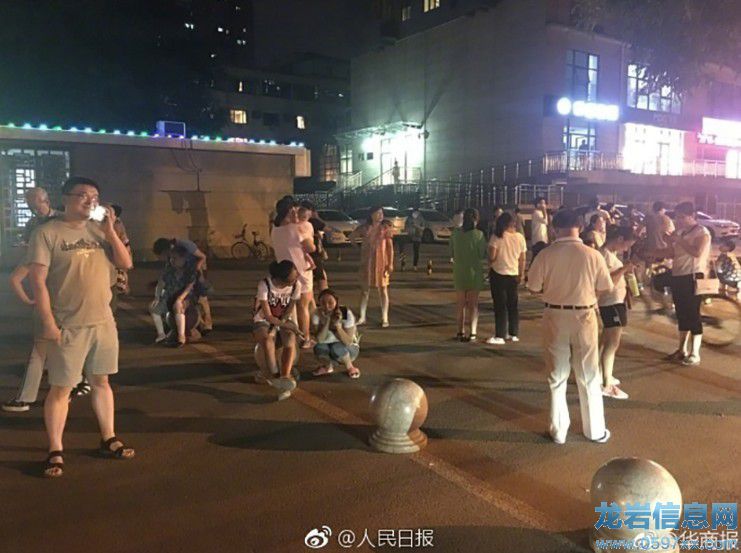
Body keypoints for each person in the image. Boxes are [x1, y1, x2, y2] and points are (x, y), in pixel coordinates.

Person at [27, 176, 135, 477]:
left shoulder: (100, 231)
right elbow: (38, 282)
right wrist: (48, 322)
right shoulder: (47, 233)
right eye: (83, 195)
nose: (90, 200)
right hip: (68, 324)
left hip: (103, 322)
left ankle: (108, 437)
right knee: (61, 388)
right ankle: (55, 450)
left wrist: (110, 232)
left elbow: (126, 263)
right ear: (65, 198)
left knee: (102, 381)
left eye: (95, 196)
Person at [527, 208, 613, 445]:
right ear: (580, 227)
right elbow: (605, 287)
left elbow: (533, 287)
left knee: (557, 377)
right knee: (589, 375)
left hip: (554, 314)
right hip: (585, 315)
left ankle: (558, 432)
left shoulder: (546, 254)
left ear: (555, 229)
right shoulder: (593, 255)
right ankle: (595, 431)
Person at [651, 202, 712, 366]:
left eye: (682, 217)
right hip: (678, 275)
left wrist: (679, 240)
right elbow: (673, 254)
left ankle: (695, 353)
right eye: (677, 217)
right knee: (681, 314)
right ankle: (681, 349)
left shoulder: (702, 232)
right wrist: (662, 247)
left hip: (693, 277)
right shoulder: (681, 232)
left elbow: (697, 252)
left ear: (692, 216)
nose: (678, 221)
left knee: (693, 314)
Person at [2, 263, 49, 412]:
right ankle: (73, 385)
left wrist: (28, 300)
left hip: (45, 309)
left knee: (38, 354)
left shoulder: (38, 255)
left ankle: (25, 397)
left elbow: (15, 279)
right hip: (74, 310)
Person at [252, 260, 302, 397]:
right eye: (294, 276)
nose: (297, 277)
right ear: (282, 279)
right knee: (267, 340)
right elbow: (268, 316)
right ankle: (274, 376)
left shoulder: (296, 285)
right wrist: (286, 326)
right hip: (263, 319)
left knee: (290, 338)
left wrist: (284, 323)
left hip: (283, 319)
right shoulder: (265, 285)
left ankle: (285, 375)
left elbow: (290, 308)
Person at [598, 226, 637, 400]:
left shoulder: (610, 255)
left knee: (606, 339)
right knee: (612, 342)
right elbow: (607, 282)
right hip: (611, 302)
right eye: (627, 244)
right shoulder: (604, 255)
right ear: (620, 238)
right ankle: (607, 384)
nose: (626, 249)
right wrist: (624, 269)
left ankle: (602, 374)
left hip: (615, 301)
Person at [271, 199, 316, 346]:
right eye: (296, 211)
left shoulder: (274, 229)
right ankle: (305, 338)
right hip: (301, 272)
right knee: (303, 306)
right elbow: (311, 248)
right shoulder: (299, 228)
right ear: (291, 211)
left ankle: (290, 338)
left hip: (283, 273)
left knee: (289, 308)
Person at [153, 236, 213, 334]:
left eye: (161, 255)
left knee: (201, 296)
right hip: (183, 272)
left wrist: (197, 270)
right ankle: (196, 323)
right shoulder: (171, 254)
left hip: (195, 269)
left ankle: (207, 324)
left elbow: (203, 257)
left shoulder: (186, 245)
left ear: (165, 250)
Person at [149, 246, 203, 347]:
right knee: (153, 308)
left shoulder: (190, 271)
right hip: (169, 296)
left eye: (175, 258)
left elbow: (189, 287)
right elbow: (160, 284)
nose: (172, 261)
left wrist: (180, 298)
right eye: (171, 258)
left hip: (186, 298)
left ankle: (181, 337)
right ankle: (161, 335)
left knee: (178, 305)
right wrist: (157, 297)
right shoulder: (168, 271)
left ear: (183, 259)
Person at [350, 206, 394, 328]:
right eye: (378, 213)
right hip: (367, 263)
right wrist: (358, 247)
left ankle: (385, 317)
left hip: (382, 263)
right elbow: (352, 236)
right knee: (365, 290)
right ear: (371, 214)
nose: (380, 215)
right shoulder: (365, 228)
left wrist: (390, 263)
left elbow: (390, 248)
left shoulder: (385, 228)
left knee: (383, 289)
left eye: (382, 213)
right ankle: (362, 317)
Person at [487, 212, 527, 345]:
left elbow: (492, 257)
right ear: (514, 223)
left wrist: (490, 261)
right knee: (513, 305)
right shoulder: (520, 237)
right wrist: (521, 274)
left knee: (500, 306)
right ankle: (513, 333)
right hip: (513, 273)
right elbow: (522, 258)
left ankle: (500, 335)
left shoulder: (497, 236)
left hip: (498, 274)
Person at [450, 208, 487, 342]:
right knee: (473, 305)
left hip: (459, 272)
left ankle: (460, 331)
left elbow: (452, 252)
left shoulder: (455, 234)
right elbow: (482, 254)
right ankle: (473, 332)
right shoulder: (479, 235)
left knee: (460, 304)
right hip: (474, 272)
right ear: (476, 219)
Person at [311, 289, 361, 379]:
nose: (327, 306)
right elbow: (319, 339)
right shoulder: (317, 313)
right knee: (319, 347)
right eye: (323, 303)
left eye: (330, 302)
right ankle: (328, 366)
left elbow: (348, 341)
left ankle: (350, 366)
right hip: (328, 346)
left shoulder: (345, 312)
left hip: (348, 349)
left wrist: (337, 326)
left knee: (336, 347)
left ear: (336, 301)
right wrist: (327, 321)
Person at [300, 200, 329, 292]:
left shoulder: (298, 222)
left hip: (301, 253)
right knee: (320, 276)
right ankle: (324, 293)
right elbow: (327, 228)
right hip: (314, 252)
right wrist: (317, 218)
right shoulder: (313, 222)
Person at [530, 197, 550, 261]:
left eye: (544, 203)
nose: (544, 205)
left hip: (542, 238)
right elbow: (545, 221)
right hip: (538, 239)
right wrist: (544, 211)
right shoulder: (536, 213)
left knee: (541, 258)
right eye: (542, 203)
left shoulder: (541, 213)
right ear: (537, 204)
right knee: (537, 258)